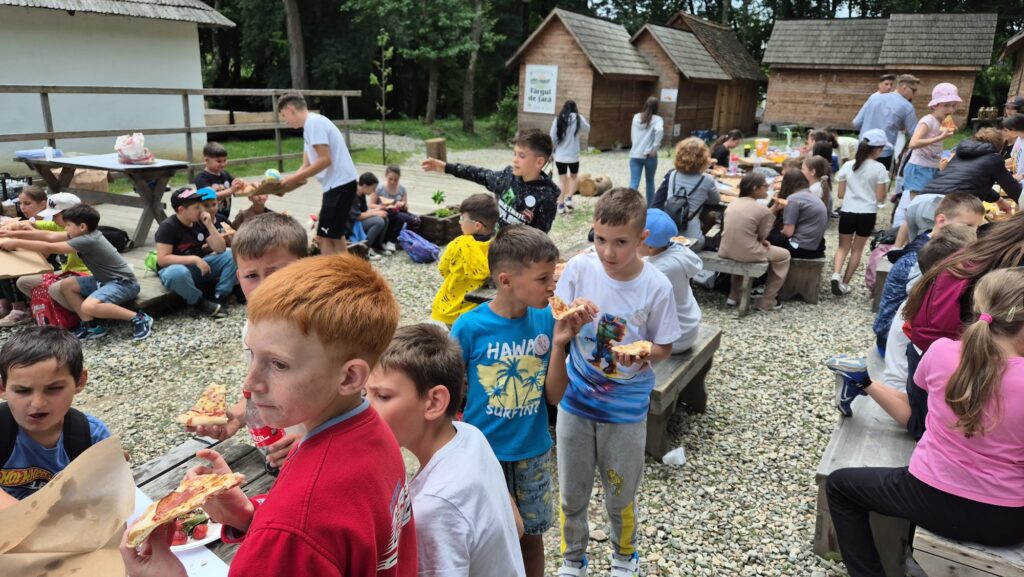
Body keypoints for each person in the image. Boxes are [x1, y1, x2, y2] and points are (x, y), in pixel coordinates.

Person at [120, 255, 416, 576]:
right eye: (252, 354)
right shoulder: (373, 431)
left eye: (278, 364)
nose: (249, 383)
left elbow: (299, 532)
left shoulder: (293, 528)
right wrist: (249, 516)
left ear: (349, 377)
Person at [826, 268, 1024, 577]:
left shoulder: (941, 352)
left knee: (839, 486)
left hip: (926, 499)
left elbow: (918, 406)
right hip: (1008, 520)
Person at [553, 188, 681, 577]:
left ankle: (624, 556)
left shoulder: (656, 286)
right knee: (571, 491)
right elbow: (554, 314)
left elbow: (664, 346)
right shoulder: (579, 268)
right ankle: (572, 557)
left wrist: (643, 353)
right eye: (600, 239)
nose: (608, 252)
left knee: (620, 492)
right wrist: (569, 317)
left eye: (621, 242)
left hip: (626, 409)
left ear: (642, 238)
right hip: (576, 399)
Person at [452, 225, 587, 577]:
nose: (552, 287)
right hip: (485, 453)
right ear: (506, 281)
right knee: (488, 537)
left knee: (531, 537)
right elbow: (450, 392)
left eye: (553, 277)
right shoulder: (469, 327)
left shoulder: (546, 319)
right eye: (543, 279)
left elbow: (554, 395)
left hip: (533, 451)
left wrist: (559, 344)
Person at [367, 323, 526, 577]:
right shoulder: (471, 436)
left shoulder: (434, 507)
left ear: (434, 402)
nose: (366, 409)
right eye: (364, 394)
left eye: (382, 396)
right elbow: (516, 526)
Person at [184, 212, 308, 471]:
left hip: (323, 455)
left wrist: (315, 440)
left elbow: (364, 403)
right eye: (252, 276)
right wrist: (239, 415)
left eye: (276, 273)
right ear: (238, 277)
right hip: (280, 454)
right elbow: (265, 387)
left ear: (305, 268)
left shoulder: (328, 329)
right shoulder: (251, 328)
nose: (264, 286)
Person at [828, 225, 976, 421]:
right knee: (922, 424)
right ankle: (862, 381)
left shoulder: (926, 294)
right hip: (904, 383)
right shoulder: (935, 309)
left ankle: (859, 379)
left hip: (911, 377)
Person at [0, 204, 153, 341]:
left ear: (82, 227)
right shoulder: (83, 234)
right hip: (103, 280)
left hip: (124, 284)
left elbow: (49, 247)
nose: (65, 228)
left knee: (89, 306)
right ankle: (92, 326)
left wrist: (15, 242)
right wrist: (10, 234)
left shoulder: (87, 240)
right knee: (66, 285)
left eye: (68, 225)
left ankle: (139, 318)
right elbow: (49, 235)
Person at [0, 326, 110, 508]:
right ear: (3, 388)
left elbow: (107, 496)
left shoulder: (91, 436)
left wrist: (110, 470)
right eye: (22, 390)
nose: (37, 404)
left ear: (80, 381)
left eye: (54, 389)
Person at [872, 193, 984, 353]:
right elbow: (924, 307)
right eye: (968, 226)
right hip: (896, 339)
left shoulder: (928, 243)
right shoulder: (920, 259)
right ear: (941, 221)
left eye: (977, 227)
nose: (974, 233)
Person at [422, 130, 559, 233]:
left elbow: (539, 240)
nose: (515, 160)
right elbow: (480, 174)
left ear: (539, 162)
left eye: (521, 156)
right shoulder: (508, 177)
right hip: (493, 246)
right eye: (515, 154)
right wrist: (446, 167)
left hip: (516, 257)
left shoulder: (546, 197)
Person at [276, 93, 358, 256]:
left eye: (284, 115)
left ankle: (332, 271)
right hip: (338, 185)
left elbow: (324, 160)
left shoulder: (314, 124)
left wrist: (292, 179)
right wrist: (286, 185)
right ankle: (345, 270)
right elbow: (306, 165)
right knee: (335, 237)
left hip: (339, 185)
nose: (285, 121)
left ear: (290, 109)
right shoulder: (310, 126)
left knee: (324, 238)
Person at [2, 189, 87, 326]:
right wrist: (13, 228)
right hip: (67, 274)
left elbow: (48, 247)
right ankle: (54, 309)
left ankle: (82, 316)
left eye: (54, 215)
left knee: (55, 288)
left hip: (83, 275)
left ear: (70, 214)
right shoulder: (60, 225)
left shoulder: (79, 232)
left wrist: (15, 242)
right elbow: (34, 226)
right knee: (23, 282)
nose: (52, 219)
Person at [155, 187, 237, 317]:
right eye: (197, 207)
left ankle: (219, 296)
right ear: (182, 210)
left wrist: (209, 225)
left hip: (198, 268)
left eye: (201, 206)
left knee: (231, 254)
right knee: (177, 273)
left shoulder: (199, 223)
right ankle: (199, 302)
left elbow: (220, 248)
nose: (202, 210)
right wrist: (194, 259)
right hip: (175, 271)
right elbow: (163, 260)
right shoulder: (168, 227)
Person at [719, 172, 791, 311]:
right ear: (755, 188)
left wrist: (771, 211)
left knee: (740, 251)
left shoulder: (732, 204)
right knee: (784, 256)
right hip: (747, 251)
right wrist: (772, 213)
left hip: (725, 249)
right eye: (765, 185)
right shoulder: (761, 209)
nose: (768, 188)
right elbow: (763, 235)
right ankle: (767, 301)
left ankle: (733, 296)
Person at [831, 129, 892, 296]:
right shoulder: (880, 168)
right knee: (856, 250)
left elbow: (840, 194)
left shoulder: (848, 165)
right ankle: (845, 283)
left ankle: (835, 275)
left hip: (848, 211)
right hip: (867, 213)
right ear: (877, 149)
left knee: (842, 247)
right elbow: (880, 197)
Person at [639, 208, 702, 353]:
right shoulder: (676, 250)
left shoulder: (662, 269)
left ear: (650, 246)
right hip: (688, 327)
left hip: (675, 339)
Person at [430, 193, 498, 326]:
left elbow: (443, 269)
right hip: (477, 309)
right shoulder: (497, 244)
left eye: (462, 218)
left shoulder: (458, 244)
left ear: (477, 225)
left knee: (454, 336)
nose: (459, 221)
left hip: (451, 307)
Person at [916, 127, 1022, 204]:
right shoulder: (994, 159)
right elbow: (1013, 189)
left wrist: (999, 200)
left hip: (919, 201)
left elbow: (971, 183)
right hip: (945, 206)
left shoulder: (959, 155)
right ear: (998, 146)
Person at [651, 137, 721, 252]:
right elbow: (715, 201)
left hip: (668, 237)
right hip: (692, 240)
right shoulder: (707, 180)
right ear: (703, 159)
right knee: (711, 217)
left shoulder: (673, 174)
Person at [852, 74, 919, 170]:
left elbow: (856, 123)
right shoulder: (907, 107)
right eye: (914, 90)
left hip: (863, 148)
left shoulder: (874, 98)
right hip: (883, 152)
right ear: (904, 88)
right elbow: (914, 134)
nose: (914, 94)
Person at [773, 166, 828, 259]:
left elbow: (788, 232)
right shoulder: (810, 194)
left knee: (767, 237)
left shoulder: (793, 199)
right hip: (815, 245)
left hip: (801, 248)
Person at [550, 100, 590, 214]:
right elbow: (587, 128)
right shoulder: (578, 118)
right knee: (573, 177)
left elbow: (552, 136)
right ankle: (569, 199)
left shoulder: (558, 119)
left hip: (560, 156)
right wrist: (580, 118)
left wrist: (551, 152)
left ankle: (560, 206)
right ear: (575, 108)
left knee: (562, 181)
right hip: (573, 156)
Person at [193, 142, 245, 221]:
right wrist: (231, 190)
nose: (223, 164)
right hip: (209, 218)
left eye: (224, 160)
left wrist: (241, 183)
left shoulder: (225, 174)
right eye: (219, 161)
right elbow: (210, 195)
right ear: (206, 160)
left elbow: (236, 184)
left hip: (224, 216)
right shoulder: (202, 178)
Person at [373, 165, 420, 252]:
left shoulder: (402, 189)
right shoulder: (380, 188)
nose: (392, 182)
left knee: (415, 219)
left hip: (398, 212)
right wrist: (384, 206)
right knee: (401, 217)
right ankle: (392, 241)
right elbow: (370, 205)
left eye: (395, 180)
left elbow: (406, 207)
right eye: (390, 179)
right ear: (386, 176)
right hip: (384, 212)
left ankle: (409, 241)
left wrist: (402, 204)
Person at [629, 96, 664, 203]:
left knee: (634, 182)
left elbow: (633, 134)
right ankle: (650, 207)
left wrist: (635, 145)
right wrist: (655, 148)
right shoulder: (658, 119)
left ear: (645, 105)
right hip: (649, 155)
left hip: (635, 154)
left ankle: (628, 205)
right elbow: (659, 130)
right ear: (656, 107)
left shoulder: (636, 117)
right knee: (650, 181)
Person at [352, 173, 391, 260]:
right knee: (379, 221)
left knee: (384, 218)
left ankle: (378, 246)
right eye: (373, 188)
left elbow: (364, 211)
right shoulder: (352, 194)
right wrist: (375, 213)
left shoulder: (362, 194)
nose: (374, 191)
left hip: (358, 221)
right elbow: (357, 216)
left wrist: (378, 209)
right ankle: (365, 249)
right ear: (365, 186)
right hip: (352, 224)